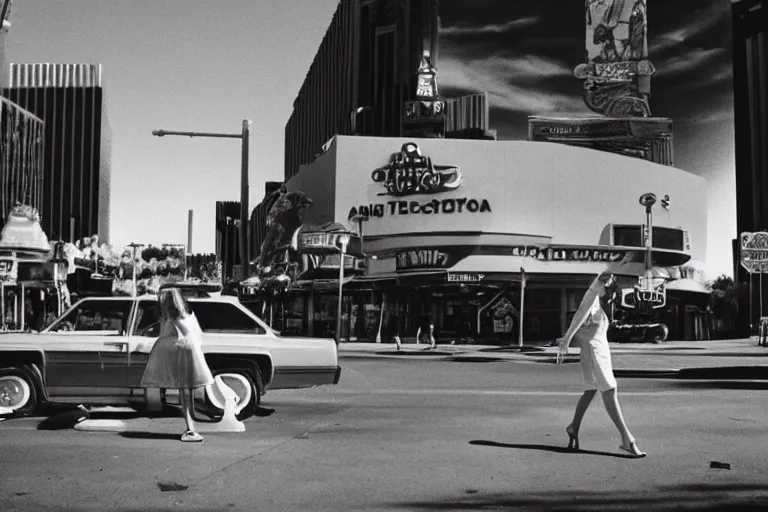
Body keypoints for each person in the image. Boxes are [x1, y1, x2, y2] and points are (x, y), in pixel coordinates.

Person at [556, 271, 646, 458]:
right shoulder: (592, 297)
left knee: (591, 390)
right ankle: (627, 439)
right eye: (612, 289)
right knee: (609, 390)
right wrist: (566, 339)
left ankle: (573, 427)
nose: (613, 295)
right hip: (593, 352)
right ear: (605, 285)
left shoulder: (600, 304)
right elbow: (580, 314)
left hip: (600, 352)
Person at [140, 288, 215, 443]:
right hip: (186, 353)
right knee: (186, 392)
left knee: (185, 392)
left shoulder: (175, 318)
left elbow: (183, 336)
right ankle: (191, 426)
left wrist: (167, 341)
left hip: (183, 354)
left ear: (168, 302)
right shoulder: (181, 316)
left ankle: (191, 427)